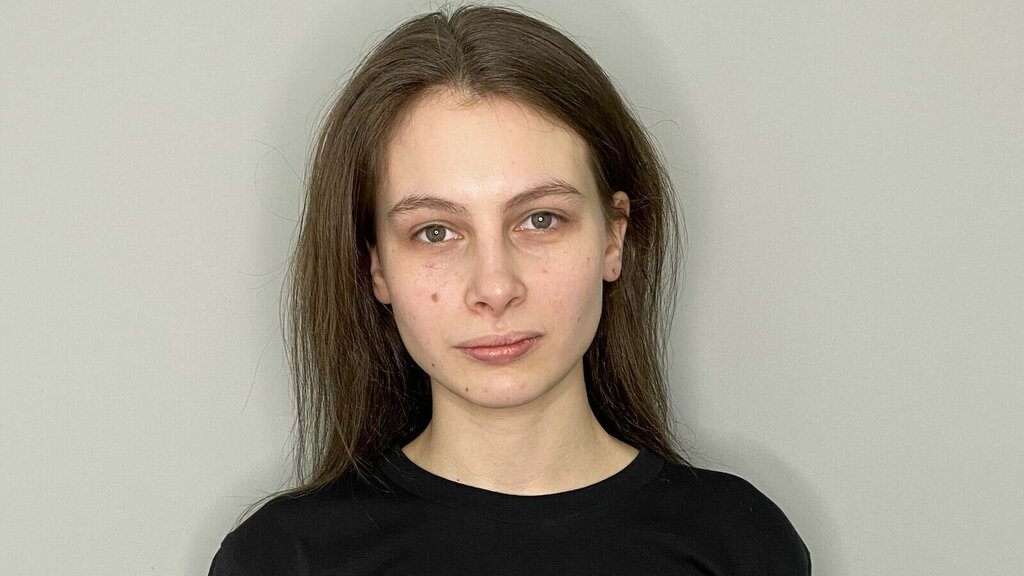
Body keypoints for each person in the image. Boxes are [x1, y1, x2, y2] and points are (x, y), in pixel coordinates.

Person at [209, 5, 810, 575]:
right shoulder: (283, 560)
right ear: (377, 268)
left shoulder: (740, 544)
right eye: (435, 232)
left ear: (614, 237)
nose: (495, 288)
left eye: (540, 220)